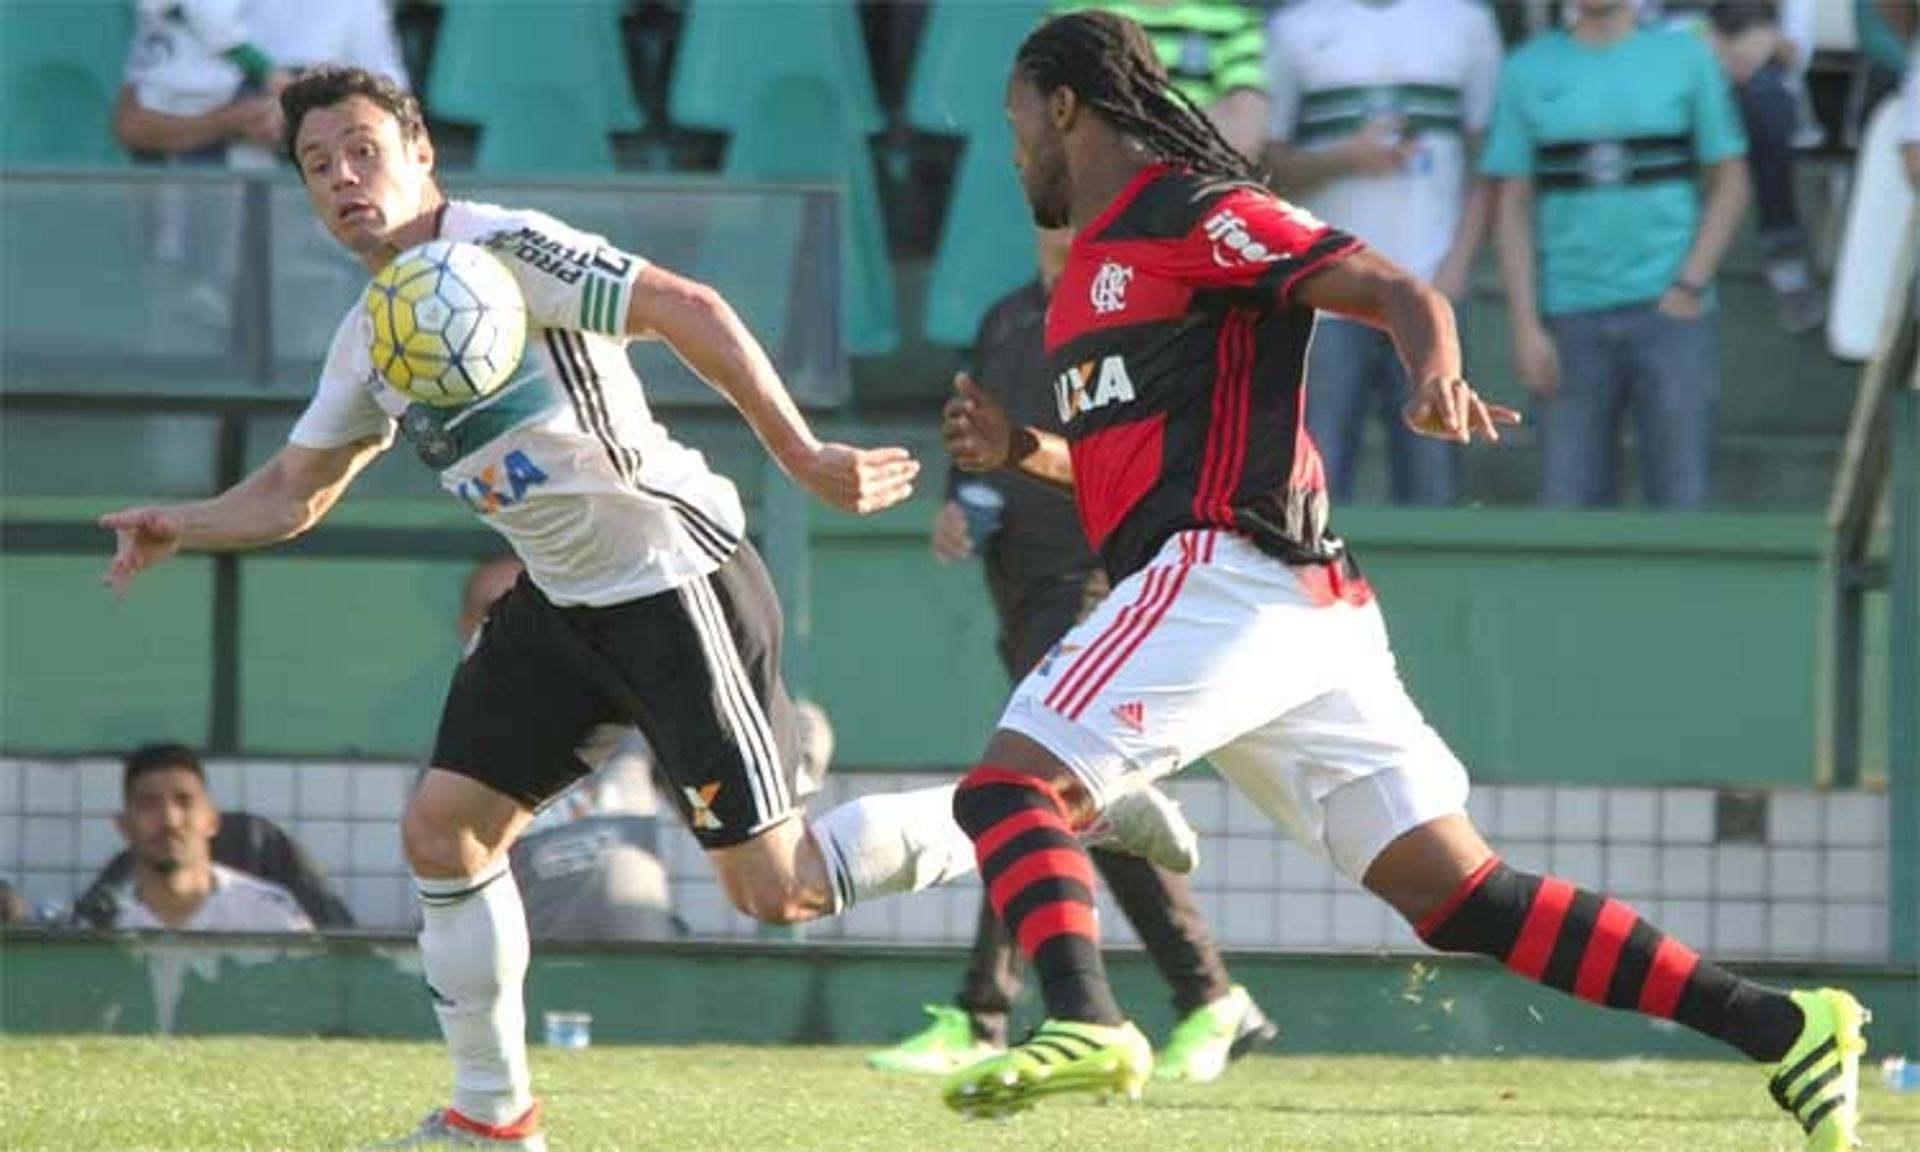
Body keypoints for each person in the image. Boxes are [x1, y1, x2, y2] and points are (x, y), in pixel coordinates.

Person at [97, 66, 1186, 1151]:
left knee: (780, 889)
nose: (343, 177)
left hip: (675, 582)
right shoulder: (376, 334)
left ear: (421, 151)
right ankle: (492, 1117)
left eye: (363, 149)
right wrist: (180, 523)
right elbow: (293, 494)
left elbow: (685, 307)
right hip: (560, 606)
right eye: (317, 164)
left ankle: (1060, 804)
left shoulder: (508, 250)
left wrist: (804, 455)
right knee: (444, 832)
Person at [934, 13, 1866, 1150]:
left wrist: (1434, 375)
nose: (1015, 143)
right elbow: (1136, 468)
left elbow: (1397, 290)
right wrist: (1018, 453)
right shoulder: (1094, 272)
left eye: (1018, 118)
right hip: (1280, 613)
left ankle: (1082, 1017)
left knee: (1005, 792)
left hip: (1233, 578)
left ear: (1065, 107)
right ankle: (1790, 1025)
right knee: (1459, 898)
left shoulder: (1194, 212)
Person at [867, 228, 1275, 1083]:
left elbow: (1145, 452)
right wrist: (958, 500)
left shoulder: (1128, 314)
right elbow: (973, 431)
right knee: (1065, 802)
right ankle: (1212, 1002)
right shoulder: (1008, 316)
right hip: (1016, 583)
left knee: (1024, 793)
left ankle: (986, 1013)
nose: (1054, 213)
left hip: (1095, 581)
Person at [1486, 0, 1751, 509]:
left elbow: (1732, 180)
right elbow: (1512, 205)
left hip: (1672, 316)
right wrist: (1525, 326)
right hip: (1569, 320)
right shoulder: (1526, 69)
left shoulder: (1686, 57)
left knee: (1683, 504)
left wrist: (1690, 284)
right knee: (1568, 508)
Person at [1264, 0, 1504, 505]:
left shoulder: (1464, 22)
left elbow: (1491, 162)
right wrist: (1344, 158)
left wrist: (1458, 265)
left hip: (1430, 288)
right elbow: (1267, 167)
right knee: (1314, 488)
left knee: (1434, 482)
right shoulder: (1294, 27)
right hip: (1325, 296)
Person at [96, 742, 315, 933]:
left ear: (211, 821)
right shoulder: (96, 926)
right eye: (149, 805)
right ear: (124, 826)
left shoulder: (270, 916)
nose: (170, 820)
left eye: (184, 802)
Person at [1062, 0, 1271, 161]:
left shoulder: (1235, 22)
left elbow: (1242, 136)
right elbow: (1071, 131)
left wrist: (1133, 131)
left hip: (1196, 206)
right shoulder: (1075, 21)